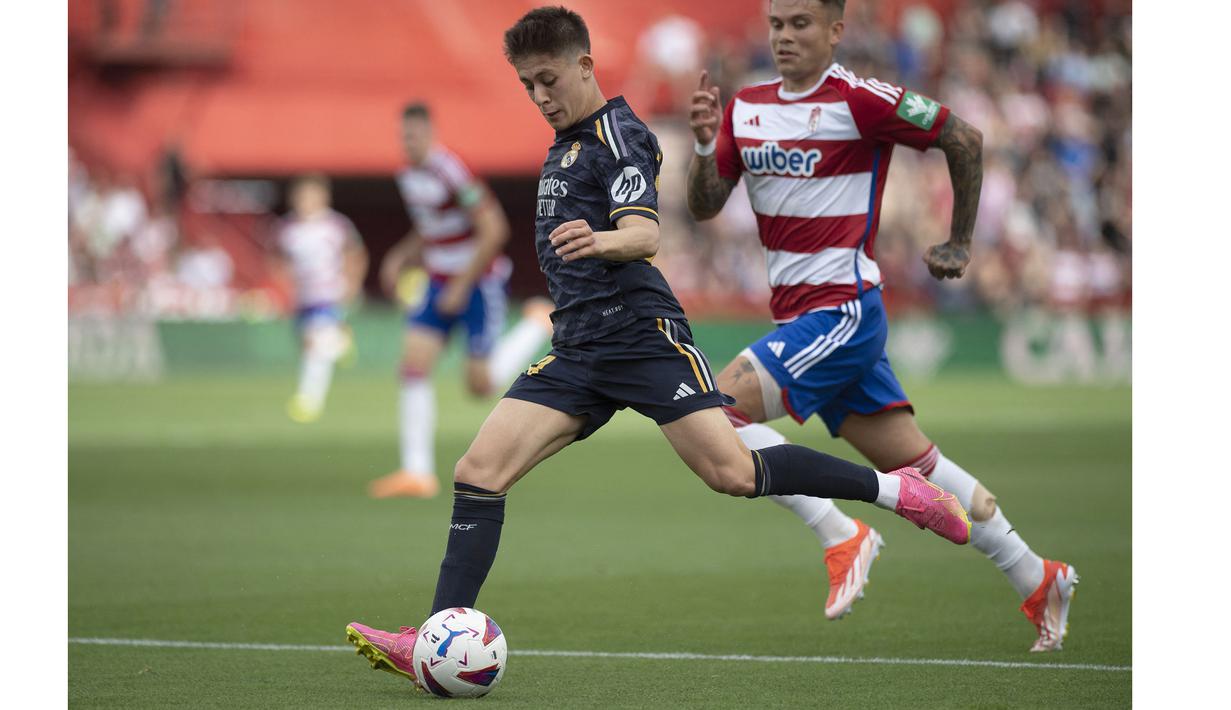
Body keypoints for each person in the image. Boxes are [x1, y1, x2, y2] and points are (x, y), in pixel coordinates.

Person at [346, 6, 971, 687]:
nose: (540, 97)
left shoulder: (621, 134)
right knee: (477, 471)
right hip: (578, 346)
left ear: (585, 65)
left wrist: (599, 240)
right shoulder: (564, 144)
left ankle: (893, 490)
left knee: (730, 472)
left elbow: (644, 235)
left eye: (549, 80)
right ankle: (436, 638)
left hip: (640, 334)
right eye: (528, 85)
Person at [685, 0, 1075, 651]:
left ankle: (841, 531)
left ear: (835, 30)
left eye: (800, 24)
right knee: (926, 472)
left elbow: (963, 137)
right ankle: (1038, 577)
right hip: (808, 322)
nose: (784, 36)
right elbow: (703, 205)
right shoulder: (745, 107)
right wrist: (702, 143)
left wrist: (958, 242)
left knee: (713, 415)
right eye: (776, 25)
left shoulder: (861, 98)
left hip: (841, 312)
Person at [367, 102, 555, 499]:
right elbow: (430, 226)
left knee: (479, 387)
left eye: (415, 135)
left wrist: (460, 284)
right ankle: (417, 473)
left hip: (478, 282)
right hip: (437, 281)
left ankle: (538, 323)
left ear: (430, 134)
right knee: (413, 366)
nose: (408, 142)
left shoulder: (450, 171)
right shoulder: (408, 176)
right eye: (403, 136)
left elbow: (494, 229)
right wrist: (401, 256)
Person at [278, 174, 368, 423]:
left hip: (329, 293)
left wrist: (352, 284)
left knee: (314, 347)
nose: (305, 201)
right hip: (303, 296)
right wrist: (284, 286)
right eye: (301, 196)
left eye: (311, 195)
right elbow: (278, 260)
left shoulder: (337, 226)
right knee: (307, 342)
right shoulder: (287, 229)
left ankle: (308, 401)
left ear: (323, 197)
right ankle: (339, 342)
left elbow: (356, 254)